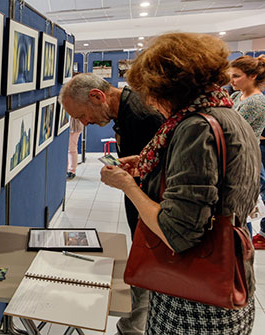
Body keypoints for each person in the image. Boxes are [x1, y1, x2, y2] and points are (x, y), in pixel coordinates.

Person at [100, 32, 258, 334]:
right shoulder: (227, 115)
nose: (150, 102)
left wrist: (128, 186)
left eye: (151, 93)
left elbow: (177, 231)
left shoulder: (196, 129)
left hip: (194, 301)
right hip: (226, 282)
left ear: (168, 88)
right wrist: (152, 168)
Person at [59, 72, 164, 335]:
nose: (85, 122)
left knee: (151, 273)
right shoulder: (126, 112)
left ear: (97, 96)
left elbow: (159, 180)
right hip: (143, 212)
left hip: (155, 218)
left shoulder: (143, 117)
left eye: (83, 115)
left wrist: (128, 180)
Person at [229, 55, 265, 249]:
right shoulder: (237, 96)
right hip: (238, 157)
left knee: (243, 213)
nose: (231, 80)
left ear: (252, 76)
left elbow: (233, 131)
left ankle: (243, 252)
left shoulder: (256, 102)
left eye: (236, 76)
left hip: (245, 159)